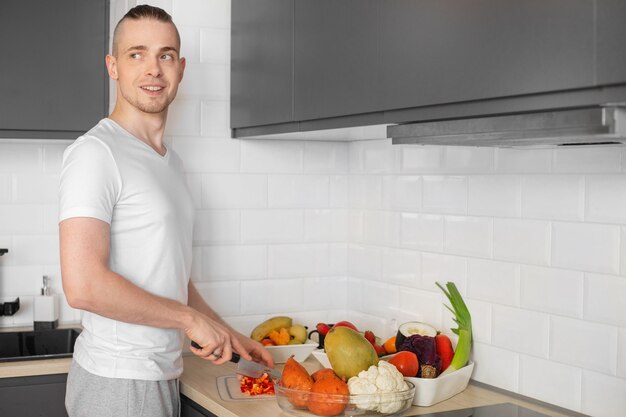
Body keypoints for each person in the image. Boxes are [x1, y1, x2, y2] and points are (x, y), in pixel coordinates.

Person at [58, 5, 273, 417]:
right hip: (118, 383)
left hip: (157, 377)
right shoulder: (96, 153)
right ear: (113, 66)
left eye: (166, 55)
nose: (153, 68)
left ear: (181, 68)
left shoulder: (168, 162)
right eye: (136, 54)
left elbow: (170, 274)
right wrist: (190, 321)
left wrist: (227, 334)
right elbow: (83, 284)